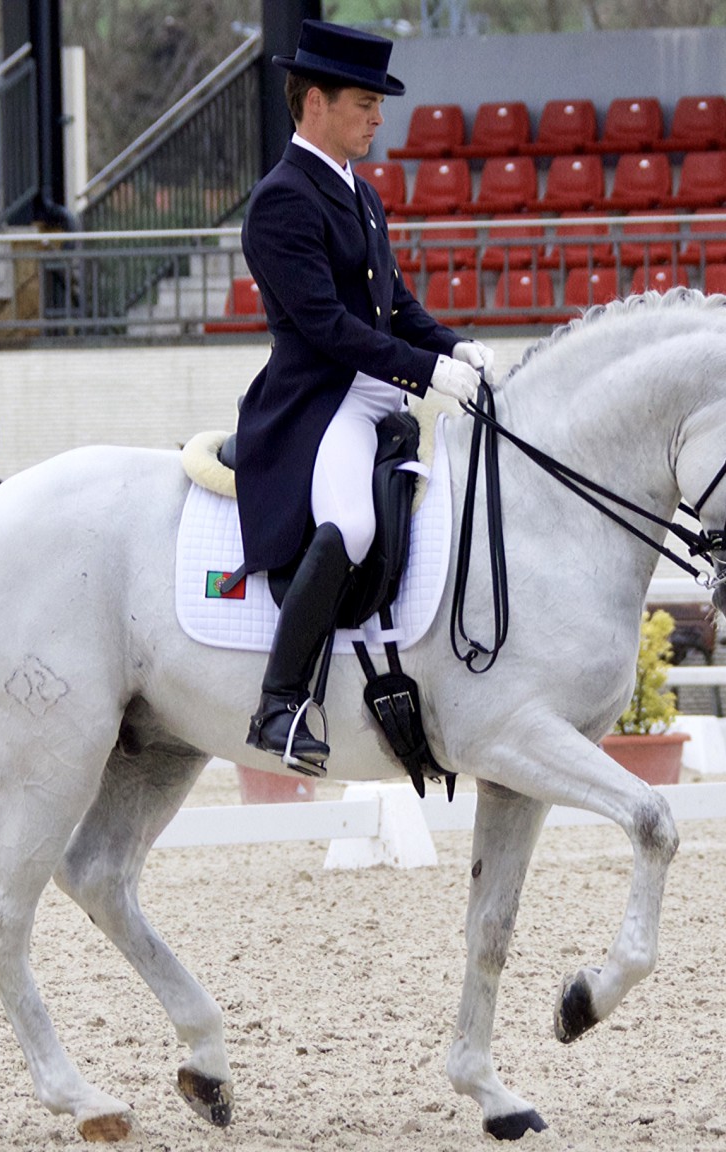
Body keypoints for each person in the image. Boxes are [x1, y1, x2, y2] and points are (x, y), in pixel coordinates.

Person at [234, 19, 494, 771]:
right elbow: (324, 326)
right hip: (322, 402)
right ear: (314, 102)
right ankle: (279, 703)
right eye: (364, 103)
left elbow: (395, 305)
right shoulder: (282, 199)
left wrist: (450, 344)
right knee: (347, 525)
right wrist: (424, 372)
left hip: (378, 392)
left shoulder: (359, 191)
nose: (379, 117)